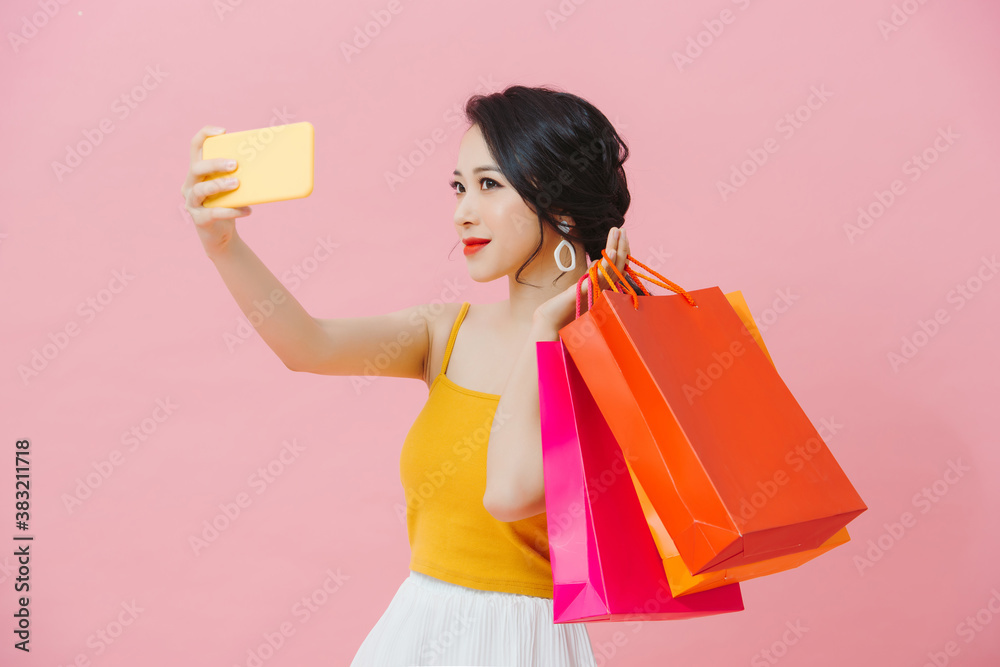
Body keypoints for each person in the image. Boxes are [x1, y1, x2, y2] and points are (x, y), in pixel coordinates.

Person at [180, 84, 634, 666]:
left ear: (563, 203)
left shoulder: (605, 348)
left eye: (490, 185)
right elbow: (306, 346)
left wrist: (548, 330)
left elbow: (509, 493)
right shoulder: (445, 333)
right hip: (418, 629)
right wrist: (222, 245)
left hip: (523, 642)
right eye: (459, 186)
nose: (461, 211)